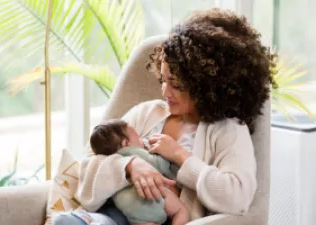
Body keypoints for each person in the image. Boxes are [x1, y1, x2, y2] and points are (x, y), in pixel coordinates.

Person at [53, 8, 275, 225]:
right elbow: (87, 166)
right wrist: (129, 166)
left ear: (207, 85)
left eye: (176, 85)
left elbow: (238, 198)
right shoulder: (147, 113)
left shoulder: (228, 130)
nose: (165, 92)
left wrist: (180, 156)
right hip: (110, 215)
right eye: (163, 80)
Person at [89, 119, 189, 225]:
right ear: (126, 143)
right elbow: (161, 165)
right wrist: (164, 155)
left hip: (127, 206)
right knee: (181, 211)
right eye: (138, 137)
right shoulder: (135, 152)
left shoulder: (109, 160)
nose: (142, 140)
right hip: (151, 196)